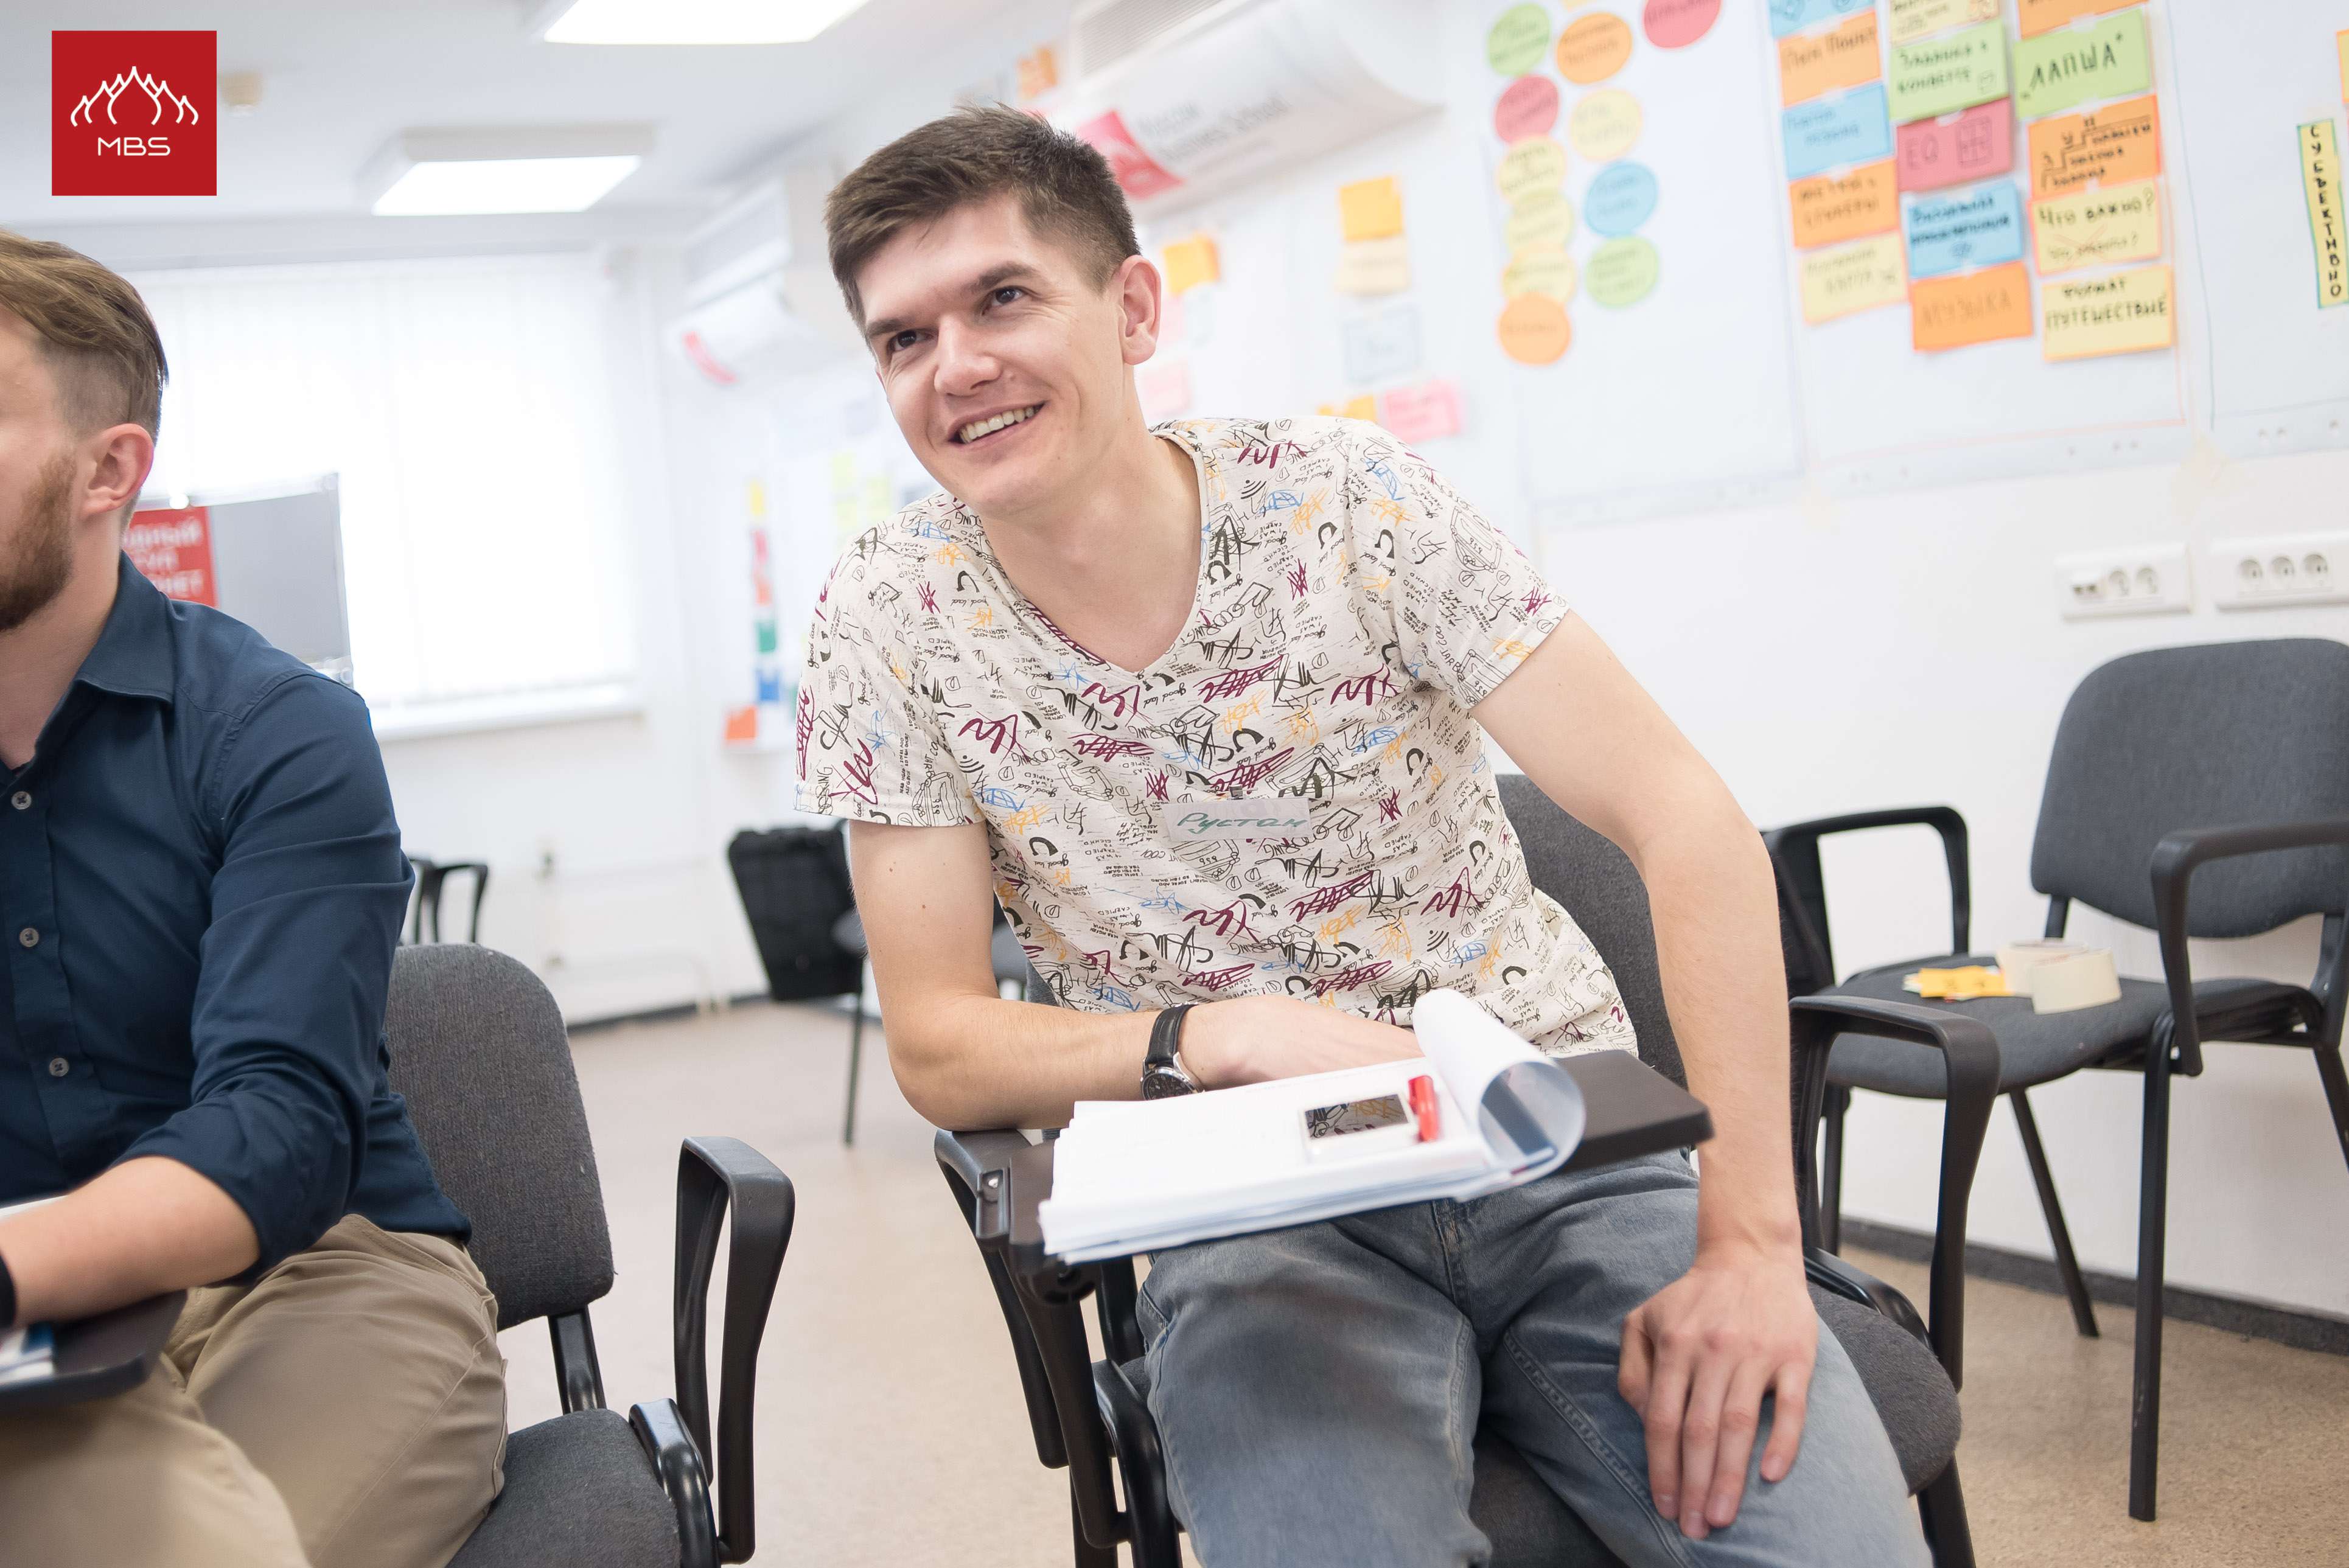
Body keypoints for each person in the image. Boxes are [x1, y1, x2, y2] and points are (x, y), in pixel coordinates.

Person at [800, 109, 1928, 1566]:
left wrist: (1754, 1240)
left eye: (1001, 298)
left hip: (1551, 1149)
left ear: (1131, 309)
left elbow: (1687, 819)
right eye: (903, 338)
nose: (955, 364)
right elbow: (939, 1041)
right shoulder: (888, 619)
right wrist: (1215, 1035)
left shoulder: (1344, 502)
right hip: (1252, 1217)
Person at [0, 231, 504, 1568]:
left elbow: (278, 1126)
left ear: (107, 470)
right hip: (34, 1317)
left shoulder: (277, 729)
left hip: (321, 1267)